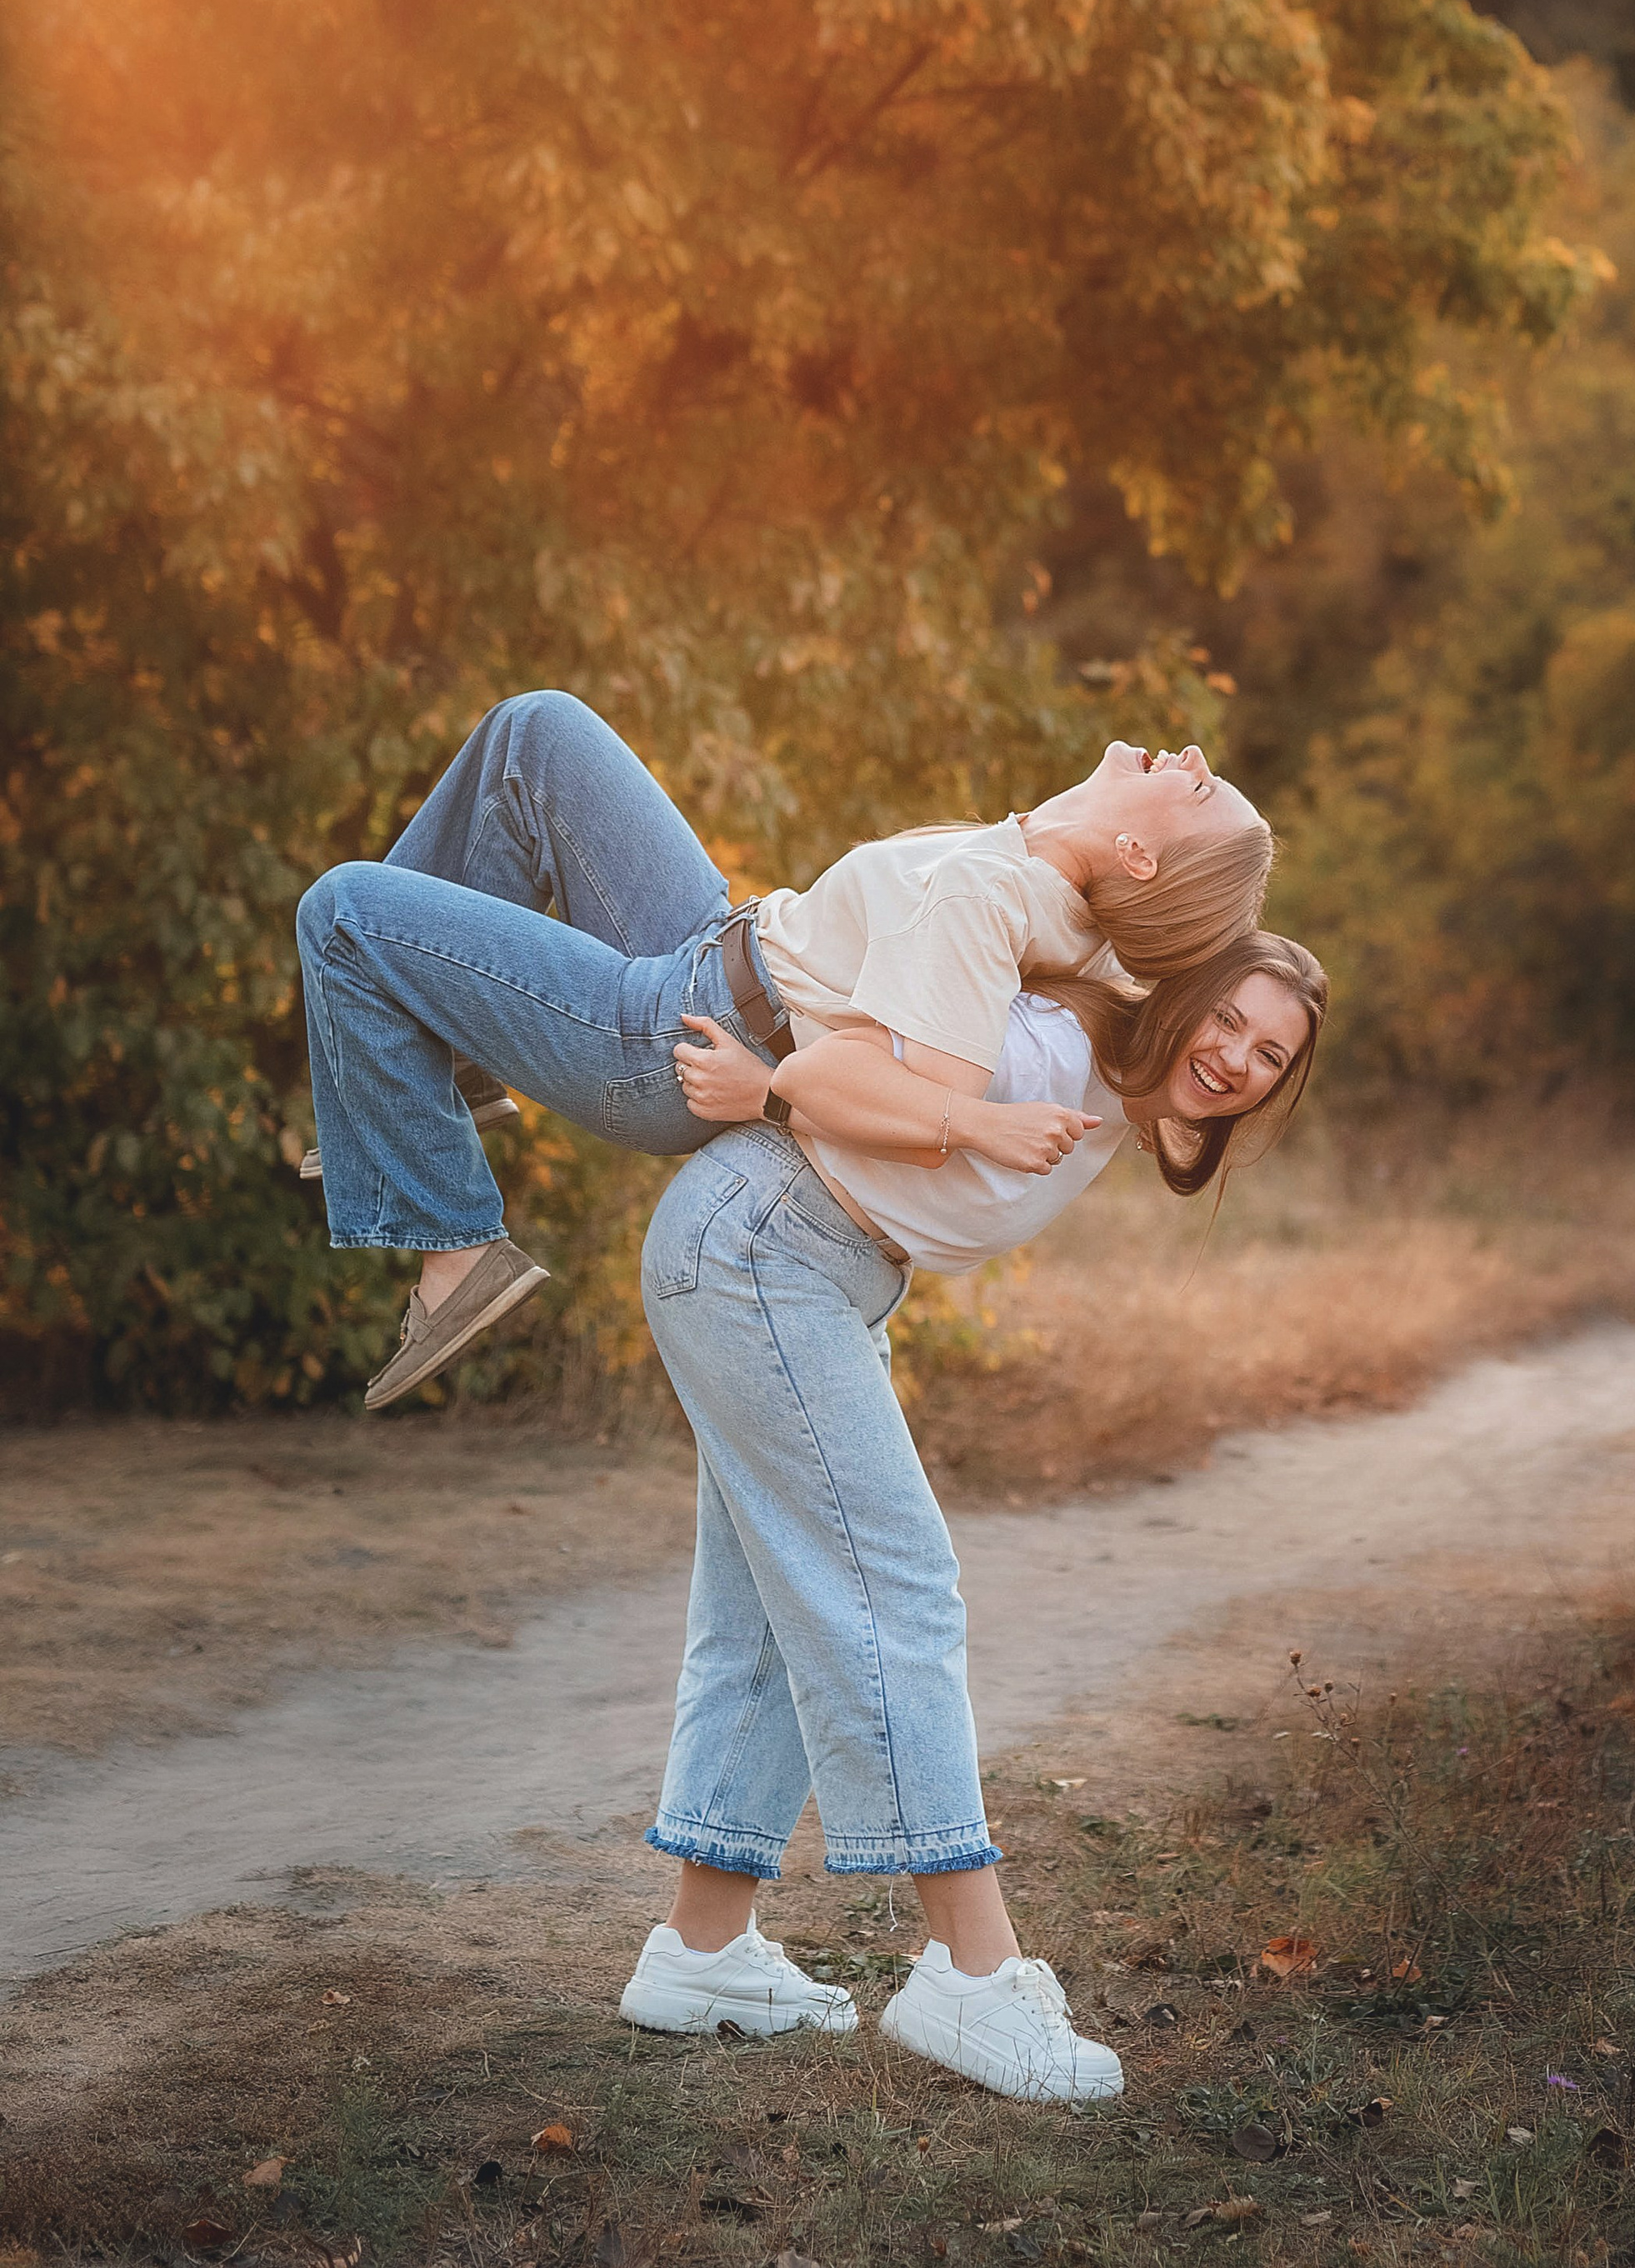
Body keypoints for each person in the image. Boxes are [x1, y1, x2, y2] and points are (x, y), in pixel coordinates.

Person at [614, 929, 1328, 2103]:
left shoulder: (1109, 1083)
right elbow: (879, 1043)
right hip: (763, 1250)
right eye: (1228, 1020)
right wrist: (774, 1082)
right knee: (894, 1583)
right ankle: (967, 1965)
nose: (1237, 1057)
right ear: (1183, 993)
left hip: (810, 1269)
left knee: (781, 1596)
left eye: (1268, 1052)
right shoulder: (1049, 1041)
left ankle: (702, 1949)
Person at [294, 690, 1272, 1408]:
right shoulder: (1057, 881)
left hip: (663, 1032)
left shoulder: (996, 896)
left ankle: (453, 1241)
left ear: (1139, 858)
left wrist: (802, 1095)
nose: (1188, 754)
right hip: (716, 936)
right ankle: (423, 1080)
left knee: (341, 912)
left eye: (1200, 787)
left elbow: (925, 1103)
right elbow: (1167, 948)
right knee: (533, 733)